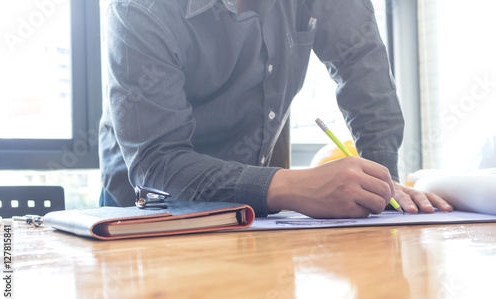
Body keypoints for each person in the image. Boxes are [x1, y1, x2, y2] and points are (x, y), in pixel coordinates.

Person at [99, 0, 453, 218]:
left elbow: (362, 64)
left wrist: (381, 183)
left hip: (252, 210)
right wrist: (295, 187)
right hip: (145, 215)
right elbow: (158, 163)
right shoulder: (139, 9)